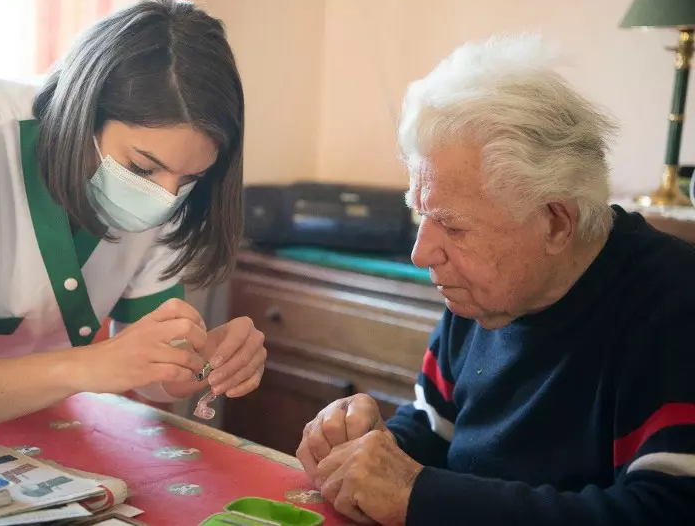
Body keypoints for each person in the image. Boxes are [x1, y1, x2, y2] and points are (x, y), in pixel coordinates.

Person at [296, 34, 695, 526]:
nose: (423, 253)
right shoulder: (481, 294)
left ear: (555, 222)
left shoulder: (674, 306)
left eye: (454, 226)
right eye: (423, 217)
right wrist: (375, 444)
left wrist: (418, 495)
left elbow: (667, 512)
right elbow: (436, 432)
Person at [0, 0, 267, 433]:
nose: (166, 198)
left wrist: (199, 359)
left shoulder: (172, 182)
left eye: (188, 179)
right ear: (82, 113)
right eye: (143, 168)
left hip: (26, 423)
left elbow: (156, 381)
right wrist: (87, 367)